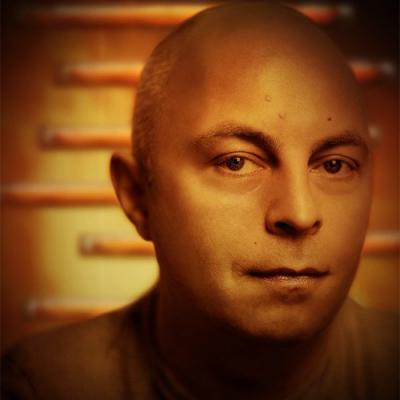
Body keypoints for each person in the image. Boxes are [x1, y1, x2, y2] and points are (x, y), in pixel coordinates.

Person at [2, 2, 398, 399]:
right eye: (236, 162)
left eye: (334, 165)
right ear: (137, 196)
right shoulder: (48, 386)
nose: (299, 212)